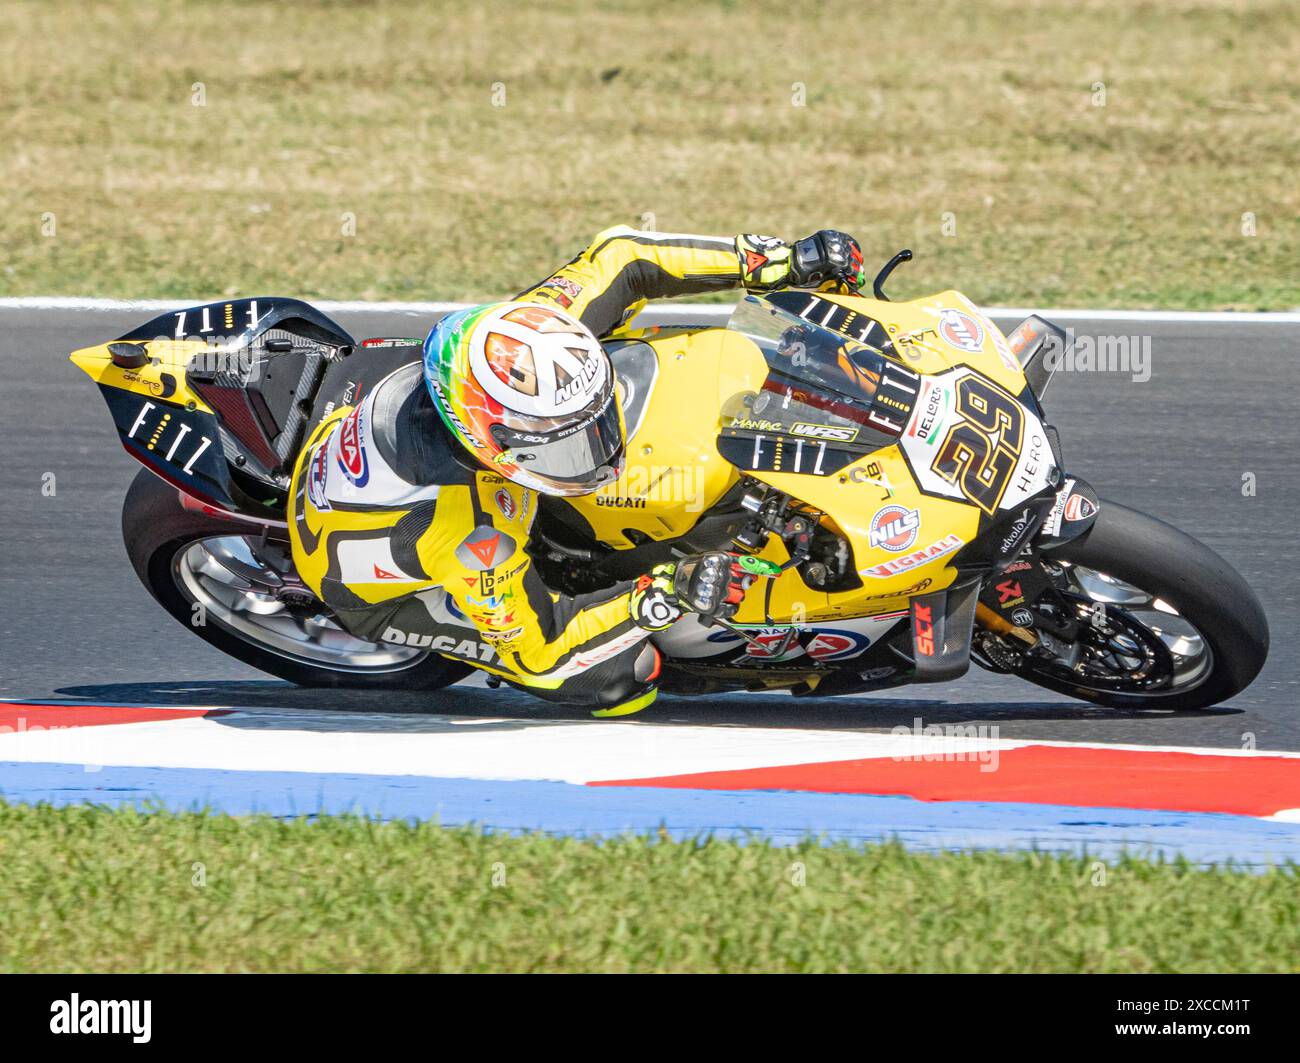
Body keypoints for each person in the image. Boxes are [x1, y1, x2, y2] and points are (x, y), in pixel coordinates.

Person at [288, 226, 866, 715]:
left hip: (379, 394)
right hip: (386, 587)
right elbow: (543, 652)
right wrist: (663, 594)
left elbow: (626, 259)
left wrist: (772, 261)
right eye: (571, 445)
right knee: (622, 681)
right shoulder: (472, 539)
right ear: (490, 444)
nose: (599, 453)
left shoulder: (533, 333)